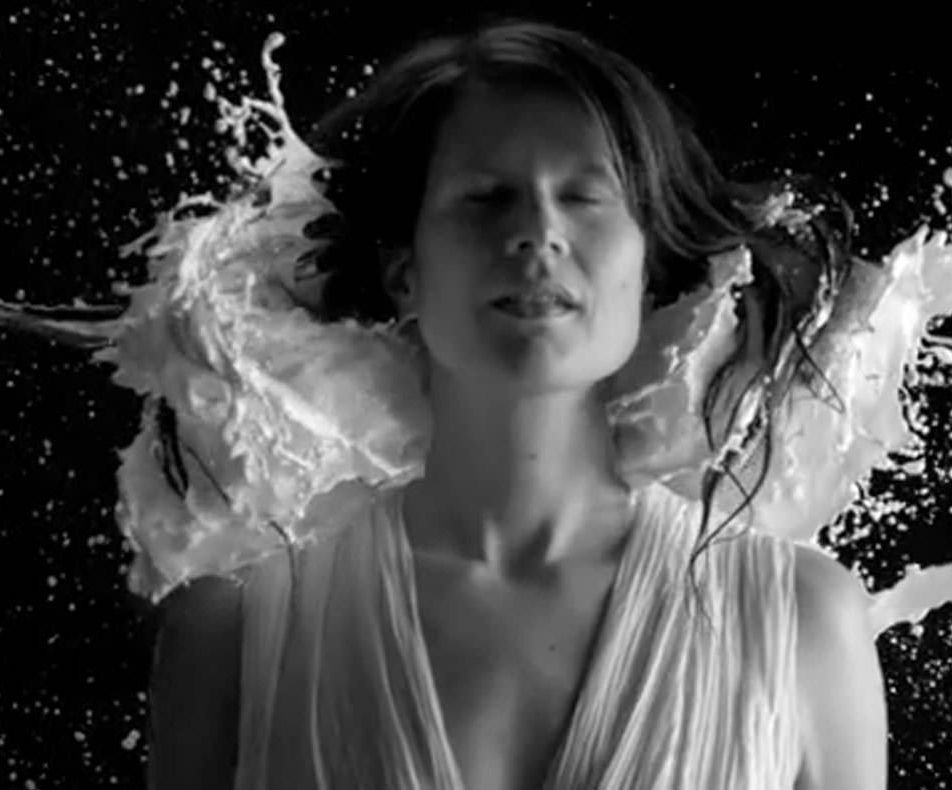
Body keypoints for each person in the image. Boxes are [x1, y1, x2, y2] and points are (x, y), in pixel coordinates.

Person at [146, 16, 887, 790]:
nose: (538, 231)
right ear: (404, 271)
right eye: (487, 197)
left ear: (649, 268)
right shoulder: (237, 629)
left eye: (583, 196)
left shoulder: (802, 619)